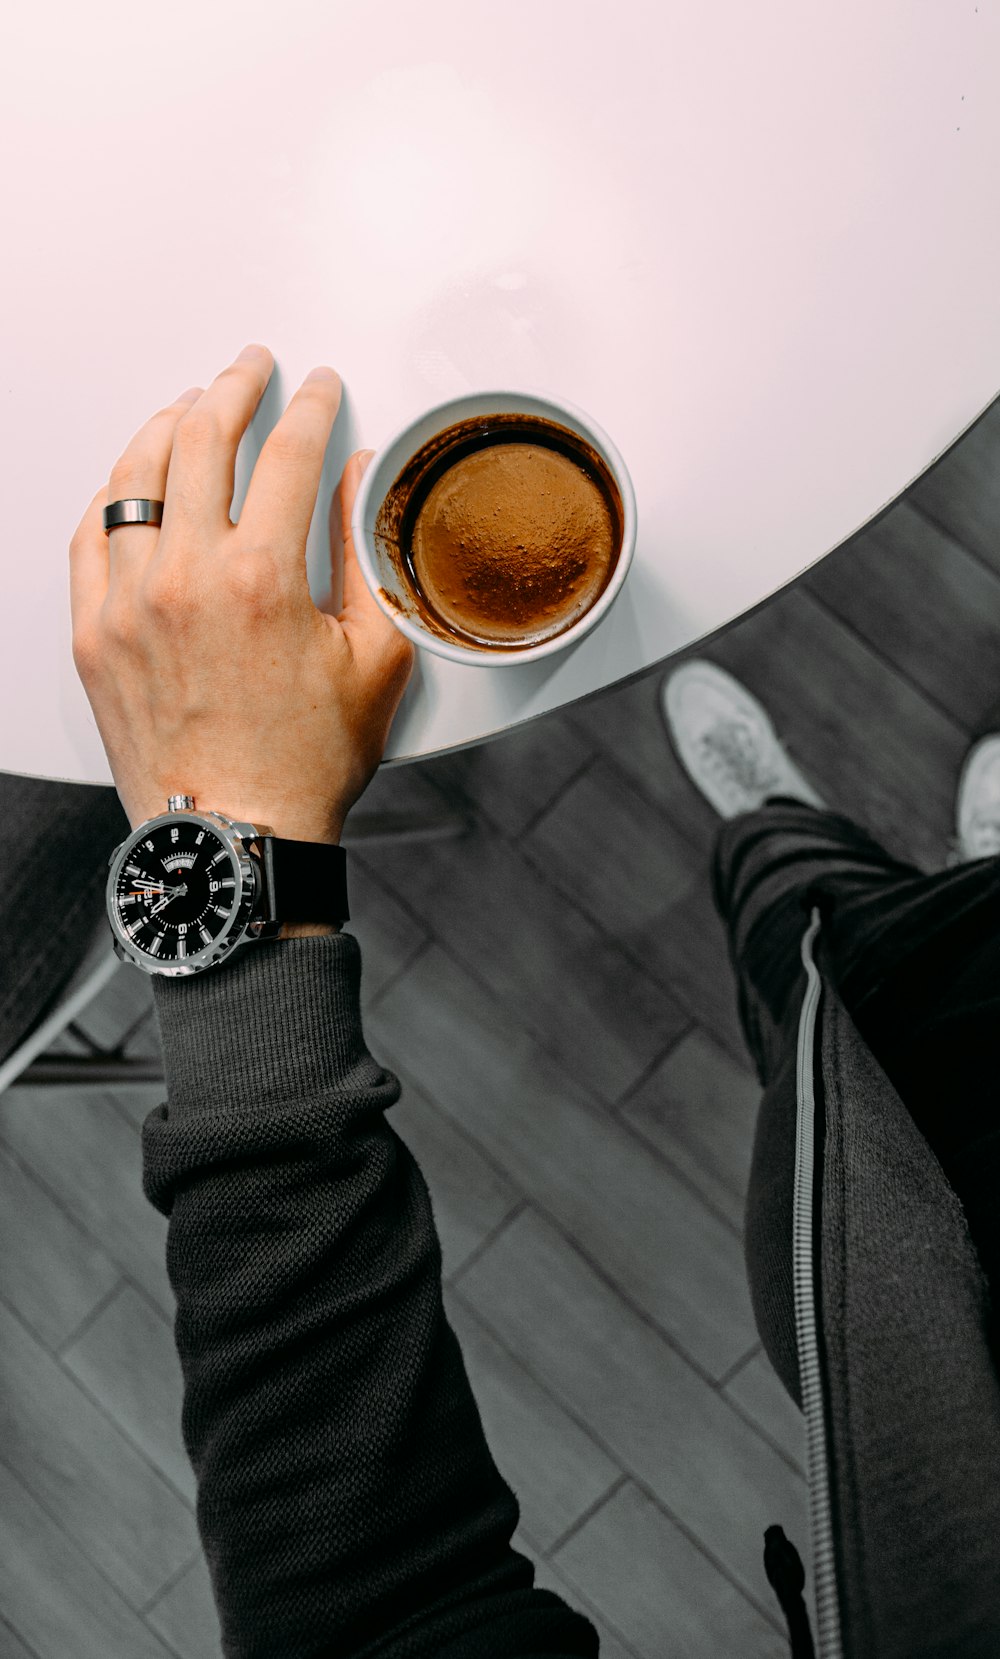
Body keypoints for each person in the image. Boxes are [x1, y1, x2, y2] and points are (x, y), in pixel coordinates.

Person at [65, 341, 1000, 1658]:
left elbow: (375, 1619)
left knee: (813, 962)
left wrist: (227, 853)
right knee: (898, 937)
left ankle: (786, 849)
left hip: (894, 1239)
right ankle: (853, 861)